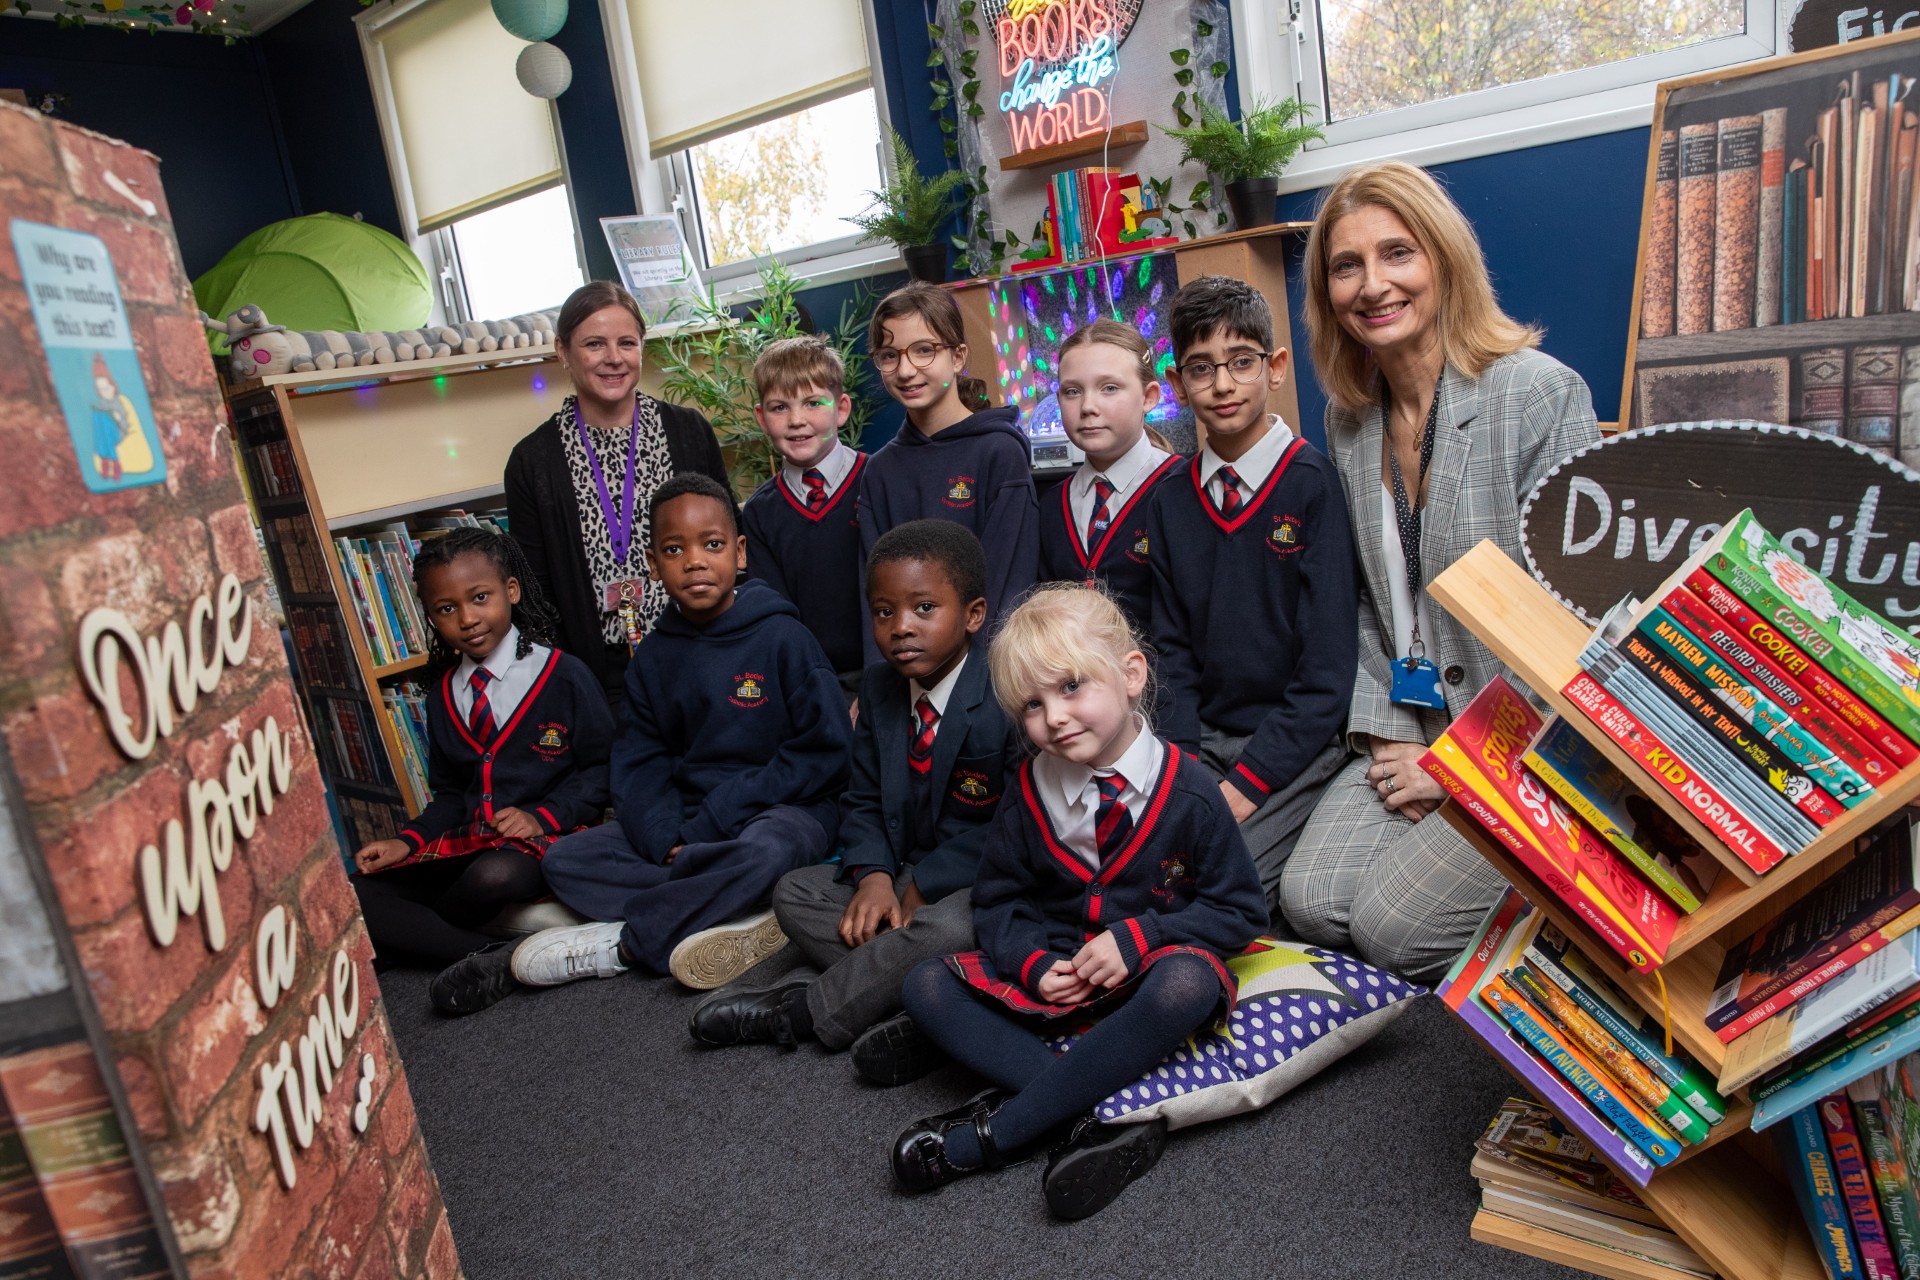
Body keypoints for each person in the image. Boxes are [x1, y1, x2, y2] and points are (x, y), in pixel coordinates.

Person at [1281, 161, 1600, 981]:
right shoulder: (1349, 420)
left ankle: (1579, 893)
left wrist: (1462, 768)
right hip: (1415, 717)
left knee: (1390, 930)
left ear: (1444, 259)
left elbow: (1579, 628)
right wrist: (1394, 734)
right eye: (1346, 266)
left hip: (1527, 742)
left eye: (1397, 253)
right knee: (1311, 899)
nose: (1372, 285)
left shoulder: (1537, 395)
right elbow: (1369, 602)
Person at [891, 584, 1266, 1221]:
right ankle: (1100, 1117)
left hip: (1146, 977)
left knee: (1188, 984)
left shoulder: (1193, 793)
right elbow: (999, 900)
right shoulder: (1027, 788)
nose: (1055, 717)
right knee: (924, 985)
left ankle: (1002, 1131)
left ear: (1131, 675)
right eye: (1032, 705)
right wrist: (1031, 963)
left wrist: (1140, 937)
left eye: (1071, 687)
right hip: (1061, 978)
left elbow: (1241, 914)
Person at [437, 475, 853, 1001]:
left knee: (768, 851)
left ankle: (625, 944)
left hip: (782, 809)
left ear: (740, 552)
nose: (695, 562)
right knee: (564, 861)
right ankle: (733, 905)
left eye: (712, 544)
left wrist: (713, 821)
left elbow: (825, 752)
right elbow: (638, 763)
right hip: (688, 819)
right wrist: (663, 835)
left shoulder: (784, 637)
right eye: (675, 550)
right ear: (654, 565)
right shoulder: (653, 657)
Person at [688, 520, 1022, 1082]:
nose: (901, 627)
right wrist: (872, 877)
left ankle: (801, 1007)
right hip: (899, 869)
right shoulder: (878, 688)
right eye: (884, 612)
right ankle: (928, 998)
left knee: (951, 931)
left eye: (923, 608)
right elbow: (863, 798)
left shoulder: (1006, 693)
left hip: (973, 883)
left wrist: (924, 885)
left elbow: (1014, 824)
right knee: (795, 892)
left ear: (973, 615)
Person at [1145, 276, 1357, 915]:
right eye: (1201, 368)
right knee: (1149, 876)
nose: (1223, 385)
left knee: (1221, 889)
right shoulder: (1169, 499)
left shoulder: (1312, 485)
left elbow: (1326, 677)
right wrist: (1183, 770)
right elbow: (1172, 655)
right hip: (1204, 743)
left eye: (1242, 362)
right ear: (1177, 385)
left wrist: (1245, 786)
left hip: (1296, 746)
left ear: (1276, 367)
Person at [349, 528, 612, 1010]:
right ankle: (493, 956)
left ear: (511, 591)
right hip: (471, 838)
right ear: (431, 617)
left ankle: (414, 938)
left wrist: (542, 816)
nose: (467, 619)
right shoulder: (442, 695)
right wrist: (405, 841)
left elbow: (601, 769)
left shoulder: (564, 676)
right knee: (357, 892)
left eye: (480, 598)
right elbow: (451, 794)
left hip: (545, 839)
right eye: (446, 609)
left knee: (493, 877)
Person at [505, 281, 730, 714]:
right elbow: (534, 593)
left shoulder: (688, 432)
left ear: (642, 347)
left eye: (626, 343)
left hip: (701, 652)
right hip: (598, 680)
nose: (614, 358)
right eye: (594, 344)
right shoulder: (533, 462)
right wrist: (575, 687)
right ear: (563, 351)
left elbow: (727, 548)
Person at [855, 282, 1037, 657]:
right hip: (906, 669)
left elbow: (1009, 586)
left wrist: (976, 679)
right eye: (889, 355)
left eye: (924, 350)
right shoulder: (879, 471)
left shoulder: (999, 453)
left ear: (957, 357)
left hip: (989, 666)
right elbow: (873, 594)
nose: (906, 370)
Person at [740, 336, 867, 700]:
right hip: (809, 683)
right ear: (762, 418)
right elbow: (776, 619)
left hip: (887, 674)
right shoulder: (760, 512)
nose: (796, 421)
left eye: (813, 403)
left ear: (841, 409)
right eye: (780, 407)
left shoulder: (877, 480)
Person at [1036, 319, 1183, 633]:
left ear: (1149, 397)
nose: (1088, 406)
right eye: (1072, 391)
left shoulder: (1183, 488)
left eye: (1110, 388)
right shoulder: (1050, 505)